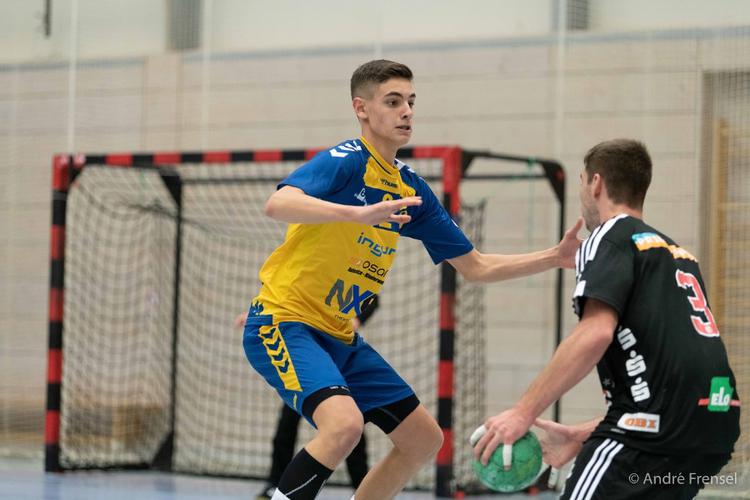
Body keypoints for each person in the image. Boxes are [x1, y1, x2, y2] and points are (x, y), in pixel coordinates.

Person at [241, 59, 582, 500]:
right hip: (284, 322)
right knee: (343, 426)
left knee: (423, 439)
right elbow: (279, 203)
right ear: (361, 109)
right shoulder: (347, 161)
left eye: (411, 102)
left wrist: (554, 257)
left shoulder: (411, 190)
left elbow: (476, 266)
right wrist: (355, 214)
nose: (406, 111)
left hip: (339, 335)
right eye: (393, 101)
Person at [472, 139, 740, 499]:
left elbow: (596, 333)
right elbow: (677, 374)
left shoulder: (608, 237)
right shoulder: (678, 254)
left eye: (582, 181)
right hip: (714, 425)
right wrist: (584, 433)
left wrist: (522, 412)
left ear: (596, 183)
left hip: (650, 435)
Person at [252, 298, 378, 500]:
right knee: (287, 424)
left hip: (337, 357)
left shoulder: (347, 287)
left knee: (349, 426)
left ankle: (361, 487)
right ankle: (274, 484)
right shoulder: (308, 290)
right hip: (307, 361)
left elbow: (373, 300)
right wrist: (260, 317)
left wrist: (357, 320)